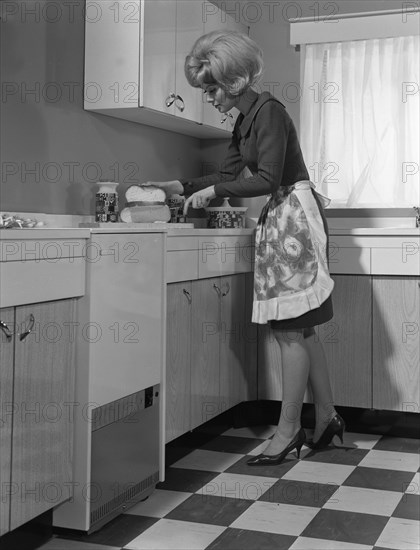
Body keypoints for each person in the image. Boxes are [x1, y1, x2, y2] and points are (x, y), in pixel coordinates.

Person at [145, 30, 344, 465]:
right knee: (302, 329)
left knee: (289, 332)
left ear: (234, 80)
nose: (209, 97)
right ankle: (326, 417)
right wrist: (180, 187)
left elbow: (266, 178)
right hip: (283, 217)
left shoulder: (269, 111)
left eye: (212, 87)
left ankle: (288, 430)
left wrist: (212, 191)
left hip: (294, 217)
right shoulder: (245, 119)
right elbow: (230, 170)